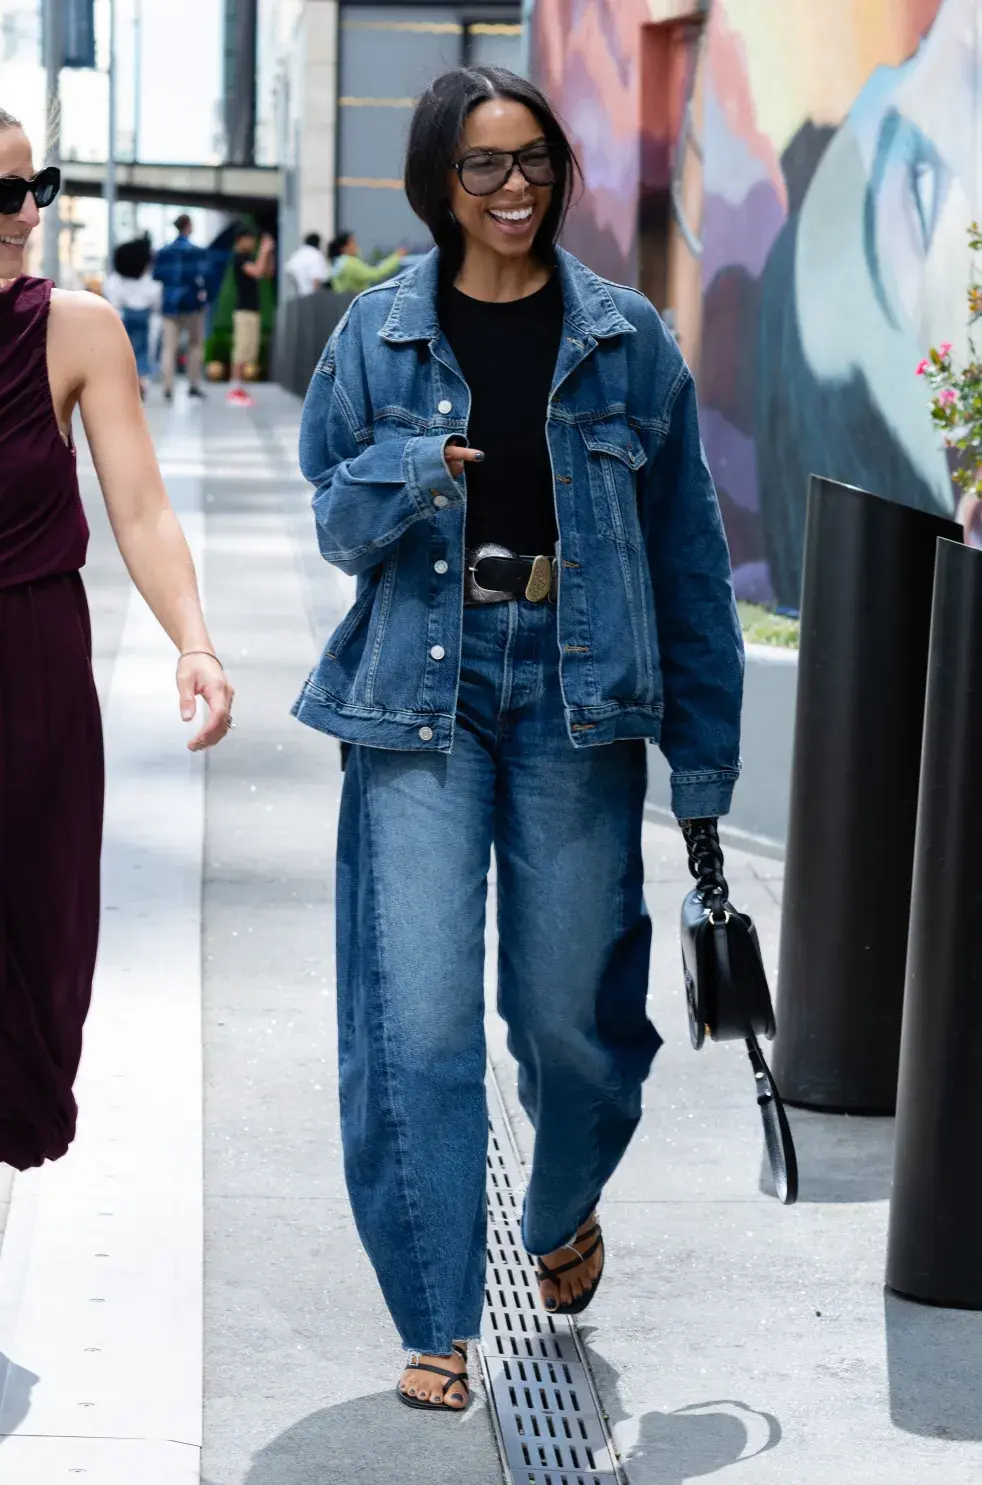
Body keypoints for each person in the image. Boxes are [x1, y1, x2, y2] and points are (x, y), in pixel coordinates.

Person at [295, 67, 743, 1411]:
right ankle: (436, 1307)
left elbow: (689, 566)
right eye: (483, 167)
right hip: (416, 696)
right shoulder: (375, 338)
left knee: (575, 1019)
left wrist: (705, 765)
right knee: (415, 1021)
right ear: (437, 182)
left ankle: (559, 1205)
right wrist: (410, 472)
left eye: (533, 161)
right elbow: (333, 517)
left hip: (576, 691)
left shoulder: (624, 340)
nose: (513, 191)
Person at [0, 104, 234, 1183]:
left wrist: (195, 642)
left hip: (31, 672)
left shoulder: (77, 327)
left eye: (34, 185)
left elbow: (139, 507)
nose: (28, 212)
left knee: (33, 965)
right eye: (5, 194)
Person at [152, 212, 207, 404]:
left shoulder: (164, 252)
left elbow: (157, 275)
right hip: (192, 304)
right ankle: (193, 385)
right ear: (188, 226)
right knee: (195, 345)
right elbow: (204, 277)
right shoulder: (196, 252)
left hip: (170, 304)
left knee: (169, 348)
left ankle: (168, 388)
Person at [104, 237, 162, 399]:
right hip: (144, 320)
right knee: (142, 353)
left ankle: (126, 384)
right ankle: (141, 381)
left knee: (122, 353)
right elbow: (156, 303)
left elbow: (113, 300)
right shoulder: (151, 284)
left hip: (121, 319)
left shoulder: (115, 281)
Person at [227, 224, 275, 409]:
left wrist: (269, 253)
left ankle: (240, 389)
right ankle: (234, 389)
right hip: (243, 310)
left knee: (249, 350)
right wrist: (264, 250)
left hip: (252, 310)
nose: (253, 242)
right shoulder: (239, 257)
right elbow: (256, 272)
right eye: (250, 238)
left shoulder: (248, 257)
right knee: (241, 348)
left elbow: (267, 273)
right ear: (241, 239)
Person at [327, 231, 404, 294]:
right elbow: (375, 274)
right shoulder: (351, 263)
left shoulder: (337, 263)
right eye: (353, 243)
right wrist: (396, 257)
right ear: (344, 248)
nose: (356, 246)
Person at [285, 231, 329, 296]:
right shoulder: (316, 255)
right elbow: (316, 279)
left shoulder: (297, 254)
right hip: (309, 296)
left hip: (295, 297)